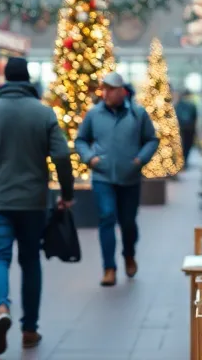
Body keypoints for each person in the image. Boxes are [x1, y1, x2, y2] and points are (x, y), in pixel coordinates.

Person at [0, 57, 74, 356]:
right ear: (27, 80)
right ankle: (29, 329)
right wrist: (66, 192)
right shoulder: (43, 113)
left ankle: (0, 309)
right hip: (32, 202)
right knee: (30, 261)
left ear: (4, 81)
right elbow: (61, 156)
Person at [74, 71, 158, 287]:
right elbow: (81, 140)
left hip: (130, 178)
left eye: (111, 89)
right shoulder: (94, 114)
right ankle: (109, 268)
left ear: (122, 91)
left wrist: (139, 160)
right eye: (105, 89)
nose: (106, 93)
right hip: (103, 177)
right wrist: (90, 158)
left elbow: (151, 140)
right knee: (107, 217)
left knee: (128, 222)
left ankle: (129, 254)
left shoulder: (137, 114)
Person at [176, 91, 199, 170]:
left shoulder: (179, 104)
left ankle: (181, 163)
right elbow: (195, 117)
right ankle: (185, 162)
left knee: (182, 145)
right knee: (188, 145)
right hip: (190, 128)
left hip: (181, 128)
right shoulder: (192, 105)